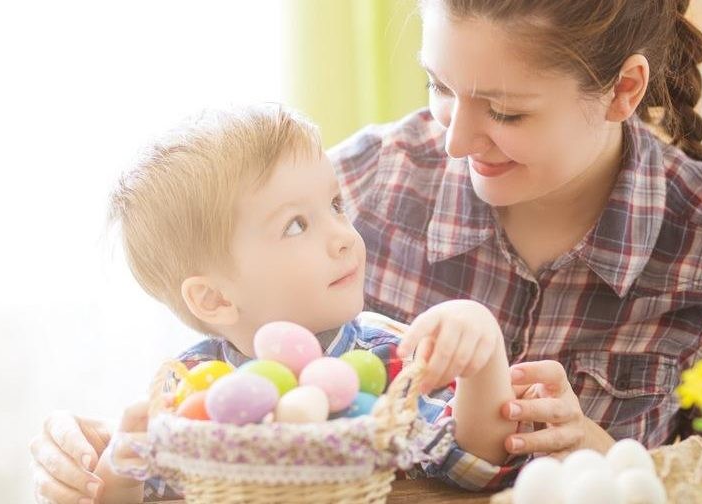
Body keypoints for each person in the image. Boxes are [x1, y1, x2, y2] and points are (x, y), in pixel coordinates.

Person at [31, 0, 702, 501]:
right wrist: (101, 461)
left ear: (625, 90)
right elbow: (230, 380)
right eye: (439, 86)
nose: (454, 141)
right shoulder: (357, 183)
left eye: (505, 112)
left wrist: (606, 462)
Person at [80, 104, 516, 503]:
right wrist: (122, 470)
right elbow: (146, 494)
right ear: (215, 298)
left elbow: (476, 469)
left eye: (336, 205)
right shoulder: (194, 388)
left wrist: (483, 354)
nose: (343, 237)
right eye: (296, 226)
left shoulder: (390, 357)